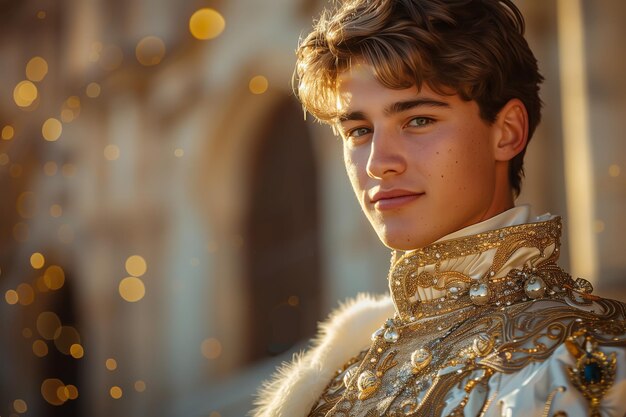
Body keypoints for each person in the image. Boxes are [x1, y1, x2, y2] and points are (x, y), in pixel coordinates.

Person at [252, 0, 626, 416]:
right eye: (359, 130)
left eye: (418, 121)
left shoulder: (586, 360)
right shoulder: (335, 378)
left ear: (507, 132)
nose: (378, 162)